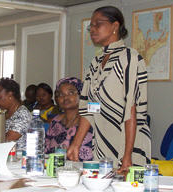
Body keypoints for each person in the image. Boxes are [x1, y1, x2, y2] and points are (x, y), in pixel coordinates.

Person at [67, 6, 151, 174]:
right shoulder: (96, 62)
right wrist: (75, 144)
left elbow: (131, 109)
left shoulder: (129, 58)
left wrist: (128, 155)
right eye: (91, 25)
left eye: (99, 24)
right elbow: (89, 108)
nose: (93, 29)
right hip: (102, 143)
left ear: (115, 26)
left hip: (128, 142)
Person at [45, 77, 94, 161]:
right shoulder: (55, 121)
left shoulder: (89, 121)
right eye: (60, 94)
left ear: (81, 95)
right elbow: (46, 151)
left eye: (71, 93)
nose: (65, 97)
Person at [0, 78, 31, 151]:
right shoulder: (4, 113)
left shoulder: (22, 114)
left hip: (19, 158)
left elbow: (7, 139)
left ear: (10, 96)